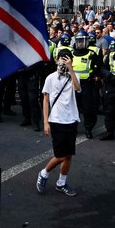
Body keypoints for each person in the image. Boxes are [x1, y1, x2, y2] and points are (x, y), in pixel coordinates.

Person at [36, 49, 81, 197]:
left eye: (67, 59)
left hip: (71, 119)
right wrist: (45, 121)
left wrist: (71, 70)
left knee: (68, 155)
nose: (64, 61)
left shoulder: (75, 75)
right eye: (62, 58)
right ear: (56, 60)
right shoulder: (50, 78)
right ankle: (44, 173)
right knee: (61, 154)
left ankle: (61, 183)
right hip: (56, 119)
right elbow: (46, 99)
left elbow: (77, 88)